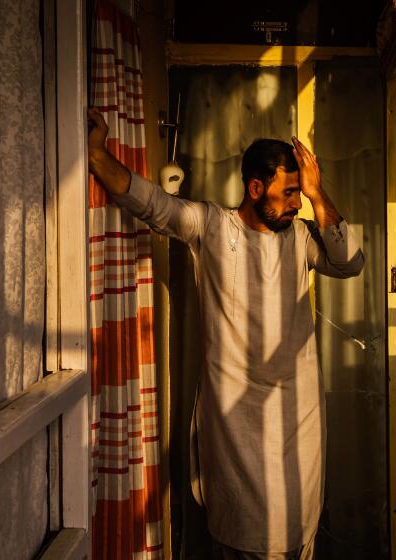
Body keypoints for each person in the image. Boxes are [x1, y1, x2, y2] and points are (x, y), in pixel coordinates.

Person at [87, 108, 364, 559]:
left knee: (295, 531)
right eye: (290, 192)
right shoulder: (212, 226)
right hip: (236, 423)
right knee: (241, 532)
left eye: (300, 194)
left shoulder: (301, 237)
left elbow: (350, 261)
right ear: (256, 189)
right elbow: (152, 203)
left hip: (298, 417)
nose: (296, 204)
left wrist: (316, 192)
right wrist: (98, 157)